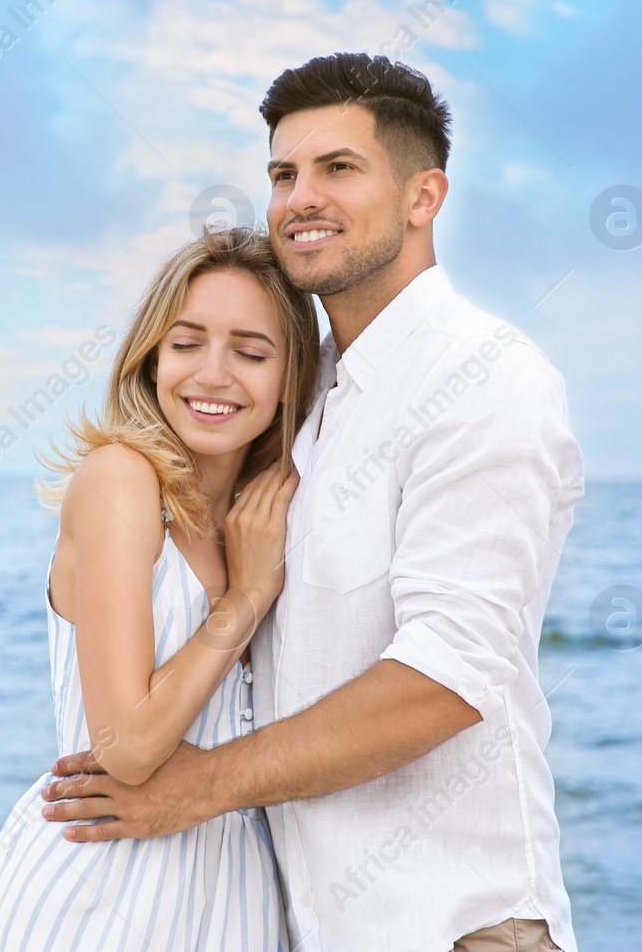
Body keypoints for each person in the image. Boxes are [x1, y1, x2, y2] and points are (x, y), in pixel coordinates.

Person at [41, 54, 586, 952]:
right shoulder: (305, 394)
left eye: (339, 168)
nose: (301, 196)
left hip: (455, 926)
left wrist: (202, 785)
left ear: (425, 197)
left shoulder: (485, 379)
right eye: (283, 174)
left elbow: (446, 678)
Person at [0, 226, 322, 950]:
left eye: (251, 352)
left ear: (291, 377)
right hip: (102, 888)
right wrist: (244, 600)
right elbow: (125, 746)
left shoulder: (271, 515)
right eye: (186, 343)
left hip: (237, 890)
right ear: (152, 354)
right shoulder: (121, 481)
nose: (212, 374)